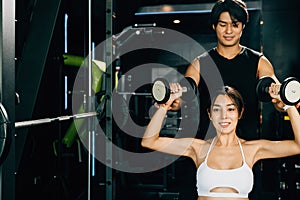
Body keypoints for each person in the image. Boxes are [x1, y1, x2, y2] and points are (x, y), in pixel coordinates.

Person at [142, 84, 300, 200]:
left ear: (240, 113)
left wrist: (289, 104)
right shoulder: (198, 148)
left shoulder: (253, 149)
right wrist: (165, 105)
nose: (224, 116)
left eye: (231, 109)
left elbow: (298, 146)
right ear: (210, 114)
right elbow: (149, 141)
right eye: (217, 109)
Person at [171, 0, 299, 140]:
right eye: (223, 24)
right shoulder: (199, 64)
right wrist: (174, 103)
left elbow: (278, 99)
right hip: (210, 146)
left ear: (242, 27)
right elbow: (183, 97)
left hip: (248, 147)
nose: (229, 31)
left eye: (235, 25)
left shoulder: (259, 62)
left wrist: (283, 103)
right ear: (214, 26)